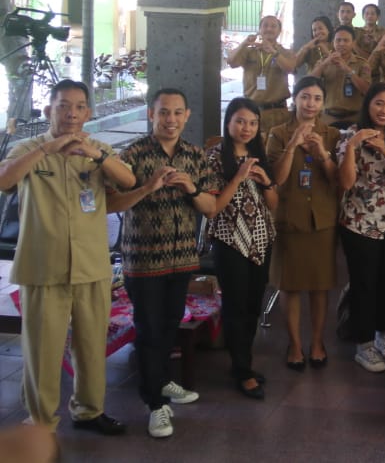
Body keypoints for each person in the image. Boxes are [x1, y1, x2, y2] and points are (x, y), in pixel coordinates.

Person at [0, 80, 137, 433]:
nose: (71, 113)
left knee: (91, 346)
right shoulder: (28, 148)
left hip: (91, 265)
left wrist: (98, 156)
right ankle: (41, 422)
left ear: (88, 113)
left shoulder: (98, 149)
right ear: (49, 110)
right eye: (63, 106)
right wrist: (48, 150)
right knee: (43, 352)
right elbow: (4, 180)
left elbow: (128, 181)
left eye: (78, 107)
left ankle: (89, 411)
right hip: (43, 266)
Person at [112, 89, 214, 438]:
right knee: (149, 328)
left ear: (187, 116)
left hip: (183, 257)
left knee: (169, 325)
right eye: (163, 113)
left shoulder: (195, 156)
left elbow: (210, 208)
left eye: (177, 113)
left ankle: (163, 380)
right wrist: (148, 187)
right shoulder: (133, 154)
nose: (170, 120)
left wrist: (191, 190)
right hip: (142, 260)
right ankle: (154, 402)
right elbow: (112, 202)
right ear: (150, 114)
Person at [205, 98, 277, 401]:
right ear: (228, 122)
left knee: (252, 305)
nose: (246, 128)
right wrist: (238, 176)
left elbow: (274, 206)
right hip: (230, 240)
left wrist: (267, 183)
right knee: (235, 306)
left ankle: (242, 363)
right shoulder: (214, 157)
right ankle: (242, 370)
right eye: (240, 121)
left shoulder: (260, 155)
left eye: (252, 122)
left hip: (261, 239)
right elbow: (213, 208)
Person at [266, 76, 340, 371]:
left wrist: (321, 154)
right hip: (290, 217)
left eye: (317, 98)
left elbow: (338, 180)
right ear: (294, 99)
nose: (311, 104)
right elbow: (277, 179)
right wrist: (293, 145)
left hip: (322, 218)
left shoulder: (332, 134)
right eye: (305, 97)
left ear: (323, 103)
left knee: (321, 286)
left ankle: (318, 341)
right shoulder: (278, 133)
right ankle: (295, 344)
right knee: (291, 285)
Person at [337, 84, 385, 373]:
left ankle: (383, 332)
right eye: (379, 104)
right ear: (368, 104)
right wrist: (354, 146)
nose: (384, 110)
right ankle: (363, 344)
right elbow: (345, 181)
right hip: (359, 221)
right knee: (364, 283)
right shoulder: (351, 135)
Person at [226, 15, 297, 136]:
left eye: (273, 26)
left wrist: (274, 52)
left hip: (277, 111)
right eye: (265, 26)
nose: (269, 29)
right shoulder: (250, 51)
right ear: (260, 29)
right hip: (251, 111)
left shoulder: (286, 52)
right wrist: (244, 43)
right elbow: (231, 62)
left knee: (275, 150)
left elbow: (290, 68)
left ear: (279, 31)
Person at [313, 25, 371, 130]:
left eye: (346, 40)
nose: (341, 44)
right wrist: (325, 64)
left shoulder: (362, 63)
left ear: (353, 43)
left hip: (354, 119)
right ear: (333, 42)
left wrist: (347, 69)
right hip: (328, 118)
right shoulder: (324, 61)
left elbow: (367, 90)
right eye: (338, 40)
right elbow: (310, 82)